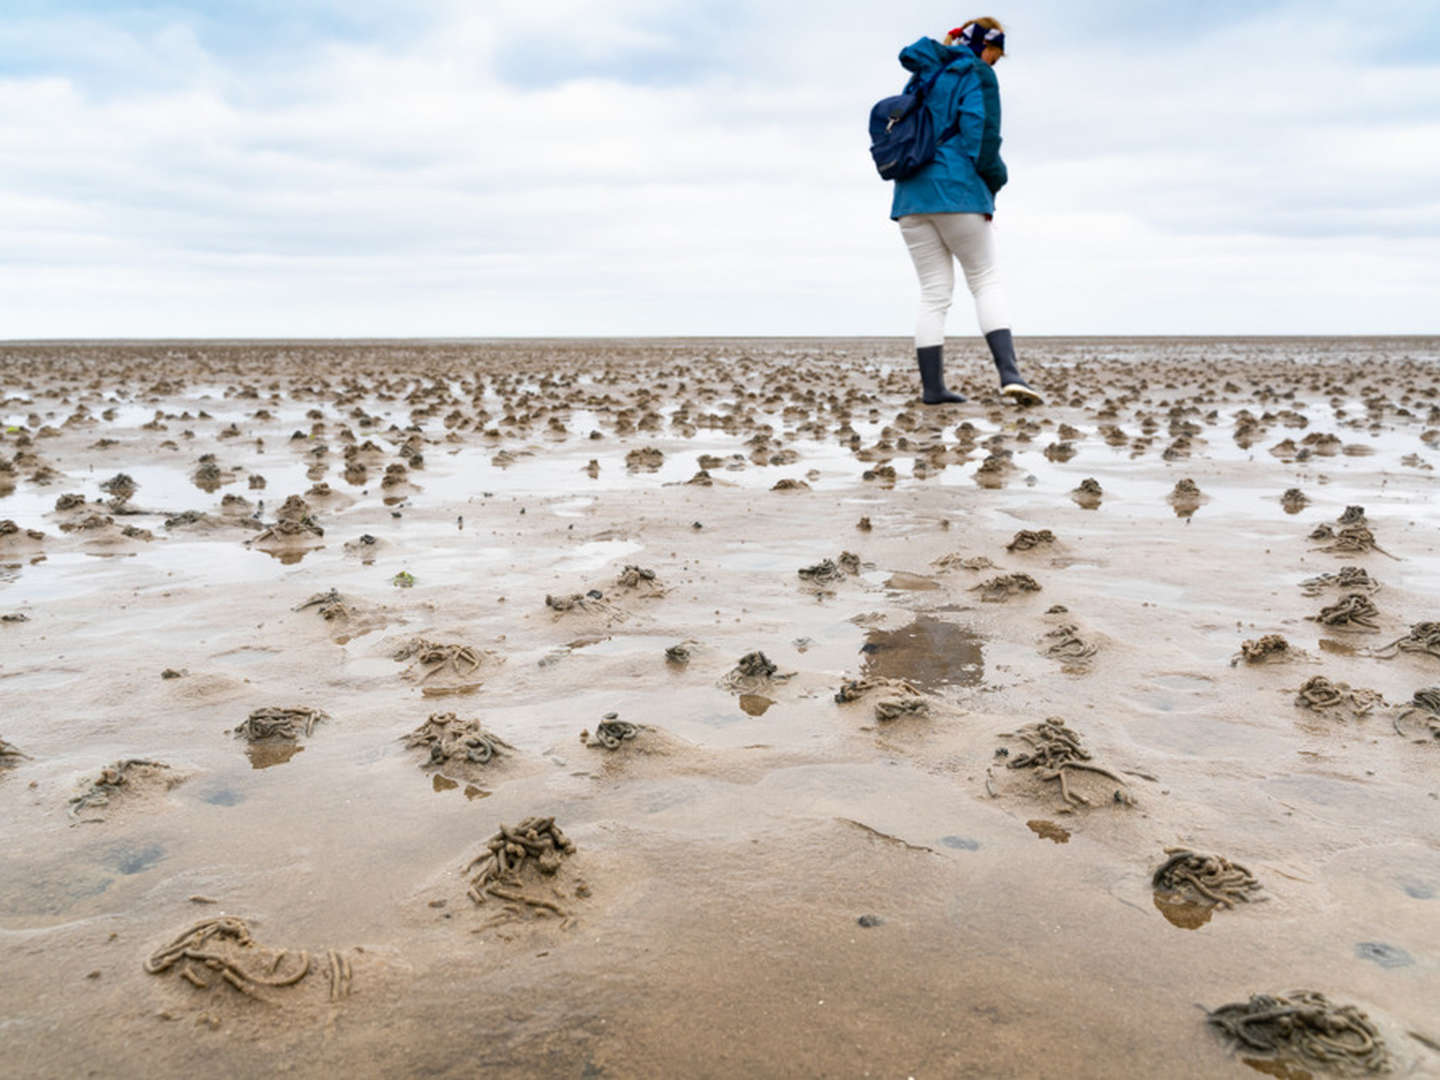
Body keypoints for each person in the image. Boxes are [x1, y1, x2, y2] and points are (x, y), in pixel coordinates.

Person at [889, 18, 1043, 406]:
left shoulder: (923, 74)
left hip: (909, 199)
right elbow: (982, 137)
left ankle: (933, 389)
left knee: (933, 294)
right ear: (985, 48)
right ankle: (1010, 374)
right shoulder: (977, 74)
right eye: (996, 55)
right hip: (957, 193)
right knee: (986, 280)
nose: (995, 63)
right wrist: (994, 183)